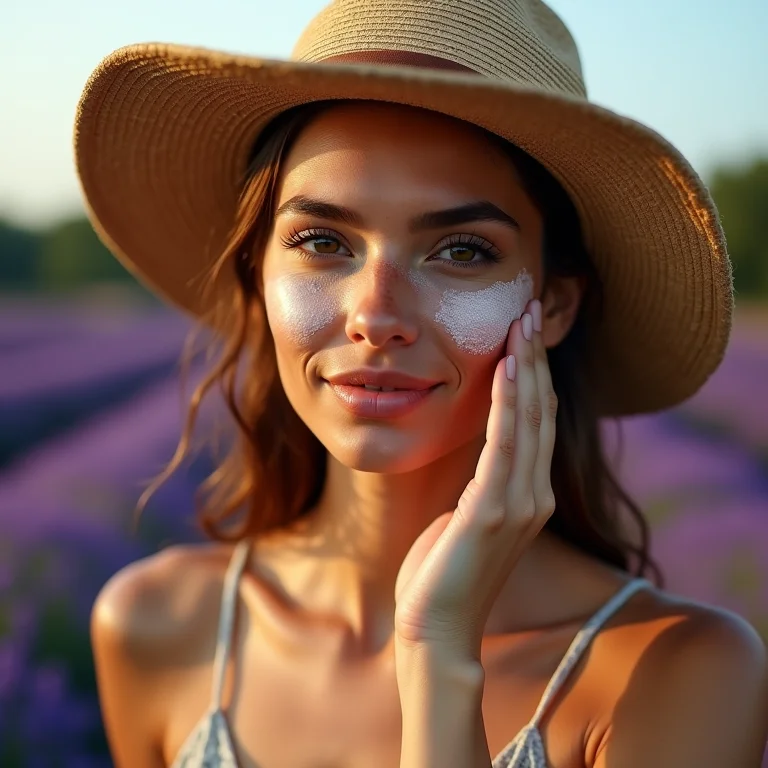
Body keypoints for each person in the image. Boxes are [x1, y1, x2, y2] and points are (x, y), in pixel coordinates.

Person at [74, 1, 768, 766]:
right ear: (257, 274)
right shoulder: (157, 628)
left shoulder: (677, 672)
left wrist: (440, 653)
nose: (376, 314)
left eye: (462, 251)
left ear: (557, 304)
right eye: (322, 241)